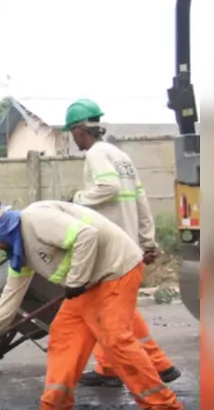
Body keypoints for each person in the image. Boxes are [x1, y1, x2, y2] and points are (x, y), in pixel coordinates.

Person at [0, 199, 185, 410]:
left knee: (115, 339)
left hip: (115, 269)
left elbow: (85, 235)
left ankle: (165, 409)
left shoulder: (36, 219)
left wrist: (76, 281)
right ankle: (56, 409)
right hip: (88, 283)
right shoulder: (20, 251)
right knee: (63, 336)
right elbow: (11, 296)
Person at [63, 98, 181, 387]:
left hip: (112, 250)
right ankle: (108, 368)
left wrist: (77, 200)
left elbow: (108, 187)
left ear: (80, 130)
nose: (73, 139)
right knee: (111, 308)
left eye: (72, 133)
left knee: (114, 310)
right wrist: (148, 242)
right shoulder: (121, 157)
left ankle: (159, 365)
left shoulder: (96, 155)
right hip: (129, 246)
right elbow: (141, 200)